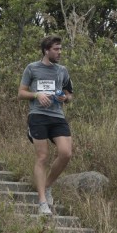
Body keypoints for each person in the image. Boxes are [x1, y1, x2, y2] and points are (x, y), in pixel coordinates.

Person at [18, 35, 74, 215]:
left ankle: (47, 185)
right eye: (56, 49)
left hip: (57, 116)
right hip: (38, 116)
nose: (60, 52)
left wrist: (65, 98)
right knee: (42, 157)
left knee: (66, 153)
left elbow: (69, 94)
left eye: (60, 48)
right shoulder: (32, 68)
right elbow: (21, 93)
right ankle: (42, 202)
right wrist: (37, 95)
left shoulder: (62, 71)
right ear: (46, 51)